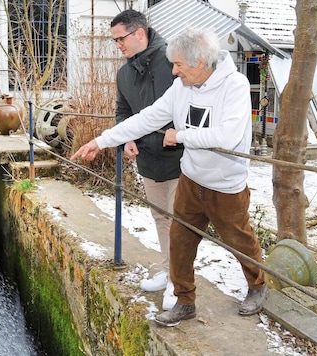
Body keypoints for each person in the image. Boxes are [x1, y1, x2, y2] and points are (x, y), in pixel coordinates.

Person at [70, 27, 268, 327]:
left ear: (200, 62)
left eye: (179, 65)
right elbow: (147, 118)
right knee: (180, 241)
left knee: (239, 239)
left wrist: (180, 135)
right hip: (191, 178)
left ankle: (257, 285)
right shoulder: (182, 88)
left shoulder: (236, 86)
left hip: (226, 184)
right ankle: (184, 301)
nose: (174, 71)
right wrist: (102, 141)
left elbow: (227, 136)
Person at [110, 10, 183, 311]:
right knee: (161, 218)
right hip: (148, 157)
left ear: (139, 33)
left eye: (120, 39)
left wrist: (182, 132)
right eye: (114, 41)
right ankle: (168, 271)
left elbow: (195, 102)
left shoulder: (173, 60)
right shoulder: (124, 74)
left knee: (180, 221)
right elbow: (122, 111)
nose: (118, 46)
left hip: (181, 156)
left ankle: (180, 282)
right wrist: (127, 138)